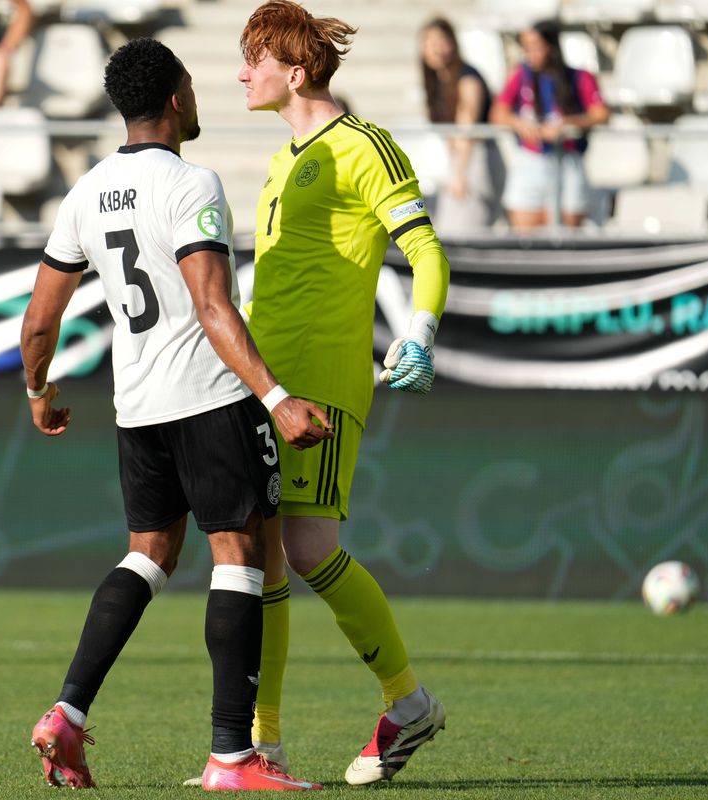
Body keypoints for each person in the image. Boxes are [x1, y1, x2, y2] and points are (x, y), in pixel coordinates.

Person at [21, 37, 331, 791]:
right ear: (175, 99)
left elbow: (38, 322)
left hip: (139, 409)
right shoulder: (193, 182)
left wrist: (39, 392)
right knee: (241, 555)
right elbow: (212, 304)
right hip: (209, 399)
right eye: (193, 86)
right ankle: (232, 758)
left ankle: (67, 712)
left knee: (149, 553)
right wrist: (277, 397)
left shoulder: (85, 193)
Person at [233, 0, 450, 786]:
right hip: (265, 381)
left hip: (322, 381)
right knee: (263, 559)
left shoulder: (364, 145)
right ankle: (264, 744)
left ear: (294, 73)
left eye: (253, 59)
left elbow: (427, 252)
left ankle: (409, 701)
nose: (240, 73)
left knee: (308, 548)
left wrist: (419, 332)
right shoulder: (285, 159)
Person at [489, 19, 609, 231]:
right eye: (526, 47)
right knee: (526, 237)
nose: (530, 53)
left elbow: (601, 113)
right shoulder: (520, 75)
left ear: (551, 46)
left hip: (568, 161)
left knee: (568, 233)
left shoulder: (578, 77)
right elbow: (498, 113)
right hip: (531, 161)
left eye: (535, 47)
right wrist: (519, 124)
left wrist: (568, 123)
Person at [419, 16, 504, 233]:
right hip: (457, 161)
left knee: (464, 231)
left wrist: (460, 175)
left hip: (474, 161)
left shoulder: (468, 79)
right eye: (429, 43)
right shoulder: (439, 81)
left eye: (441, 41)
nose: (436, 49)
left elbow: (467, 130)